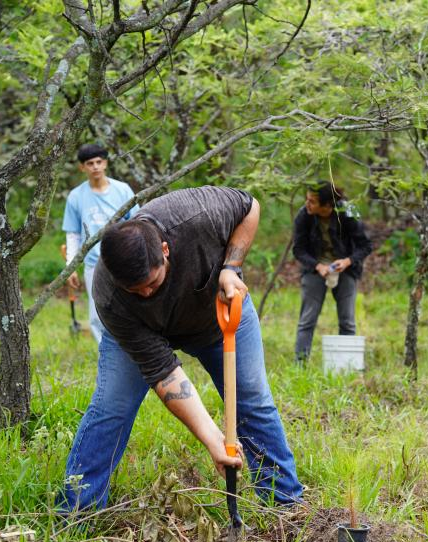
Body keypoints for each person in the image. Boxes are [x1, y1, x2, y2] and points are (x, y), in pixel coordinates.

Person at [57, 186, 304, 513]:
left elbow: (249, 207)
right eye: (135, 290)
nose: (146, 294)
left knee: (253, 399)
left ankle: (285, 506)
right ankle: (77, 512)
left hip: (217, 316)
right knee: (111, 409)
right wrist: (213, 439)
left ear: (165, 250)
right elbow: (164, 373)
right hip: (143, 331)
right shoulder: (109, 295)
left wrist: (231, 267)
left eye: (152, 283)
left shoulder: (195, 214)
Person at [63, 143, 139, 343]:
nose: (95, 167)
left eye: (99, 162)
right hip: (94, 264)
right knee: (97, 316)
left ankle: (135, 350)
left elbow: (138, 224)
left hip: (123, 261)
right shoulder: (76, 196)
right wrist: (71, 267)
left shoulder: (123, 190)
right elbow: (73, 234)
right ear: (82, 167)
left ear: (105, 163)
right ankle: (105, 354)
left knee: (131, 309)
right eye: (90, 163)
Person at [292, 181, 373, 362]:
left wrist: (347, 261)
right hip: (315, 268)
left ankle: (347, 366)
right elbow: (298, 249)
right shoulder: (304, 215)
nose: (307, 204)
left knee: (347, 321)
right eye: (307, 199)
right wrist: (317, 266)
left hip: (346, 269)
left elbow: (366, 245)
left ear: (327, 205)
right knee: (307, 320)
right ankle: (300, 365)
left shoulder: (348, 212)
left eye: (312, 201)